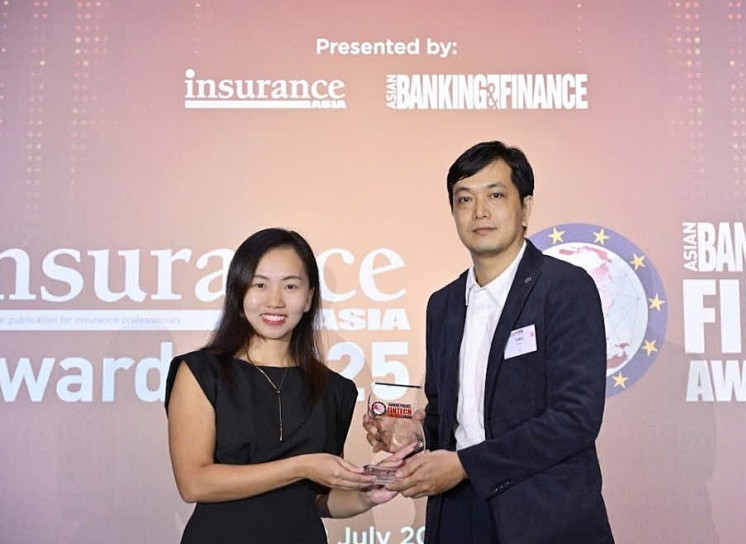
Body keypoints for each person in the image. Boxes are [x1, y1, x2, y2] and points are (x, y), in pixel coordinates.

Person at [365, 141, 615, 543]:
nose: (479, 211)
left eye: (495, 195)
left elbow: (575, 419)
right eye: (465, 199)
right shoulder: (443, 304)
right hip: (457, 513)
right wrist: (411, 435)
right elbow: (448, 417)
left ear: (525, 208)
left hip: (543, 516)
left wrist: (467, 465)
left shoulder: (564, 288)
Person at [165, 228, 411, 544]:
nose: (275, 301)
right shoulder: (201, 372)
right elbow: (194, 483)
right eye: (260, 285)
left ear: (309, 298)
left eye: (291, 286)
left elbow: (317, 500)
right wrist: (302, 466)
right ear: (239, 291)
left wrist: (366, 495)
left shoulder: (334, 389)